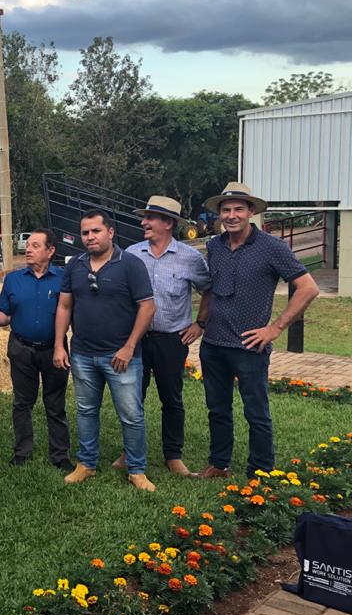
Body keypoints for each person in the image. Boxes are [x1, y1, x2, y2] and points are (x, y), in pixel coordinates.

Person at [197, 182, 320, 480]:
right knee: (217, 408)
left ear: (251, 211)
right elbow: (211, 290)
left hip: (250, 345)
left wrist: (275, 328)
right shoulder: (214, 246)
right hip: (213, 342)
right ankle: (219, 464)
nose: (232, 215)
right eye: (226, 210)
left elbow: (308, 288)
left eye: (239, 209)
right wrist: (200, 323)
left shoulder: (272, 247)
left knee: (256, 412)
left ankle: (261, 471)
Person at [53, 209, 157, 492]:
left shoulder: (131, 264)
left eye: (95, 231)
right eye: (85, 232)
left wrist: (129, 347)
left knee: (131, 414)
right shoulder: (74, 265)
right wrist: (59, 344)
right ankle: (86, 464)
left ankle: (136, 469)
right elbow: (64, 306)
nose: (89, 237)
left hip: (121, 356)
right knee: (86, 411)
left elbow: (147, 307)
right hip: (83, 354)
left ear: (110, 232)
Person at [120, 196, 212, 477]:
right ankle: (129, 452)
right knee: (131, 398)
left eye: (150, 218)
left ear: (169, 223)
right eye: (144, 217)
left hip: (172, 339)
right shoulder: (131, 254)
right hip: (135, 339)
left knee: (171, 398)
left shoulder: (190, 257)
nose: (143, 222)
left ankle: (173, 455)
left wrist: (200, 324)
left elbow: (208, 289)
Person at [0, 228, 72, 471]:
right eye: (28, 244)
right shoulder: (14, 279)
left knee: (55, 403)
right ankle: (22, 451)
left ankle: (60, 455)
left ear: (51, 251)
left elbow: (70, 312)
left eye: (36, 245)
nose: (28, 249)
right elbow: (4, 315)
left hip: (53, 350)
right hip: (21, 348)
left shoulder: (63, 279)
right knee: (22, 402)